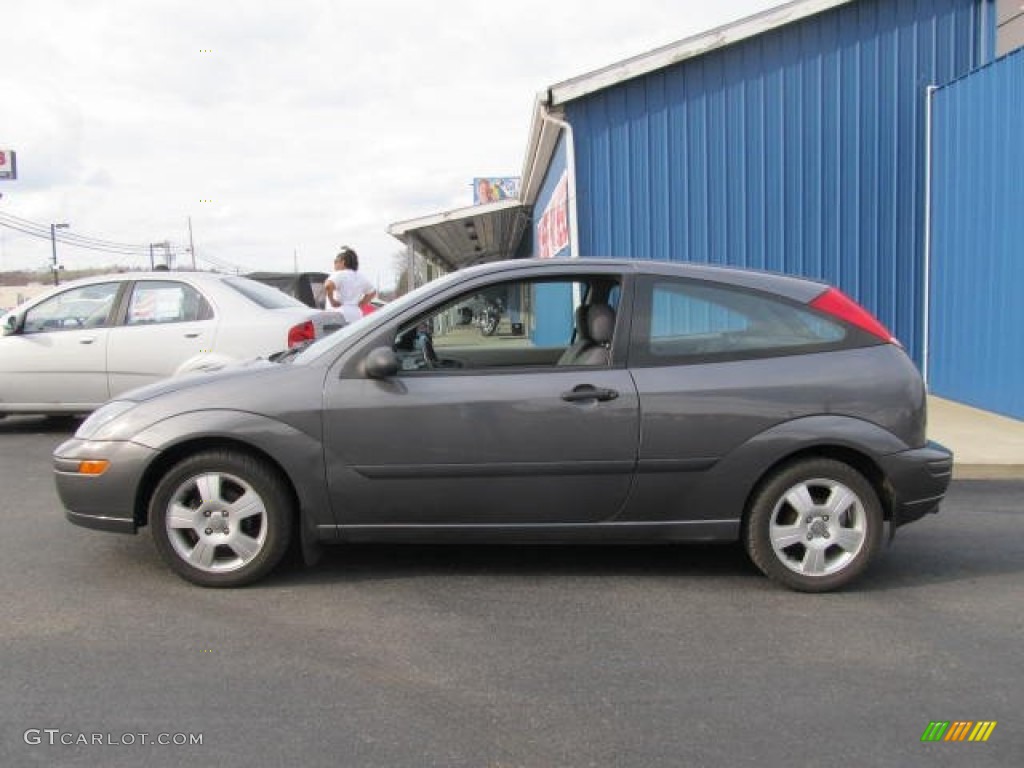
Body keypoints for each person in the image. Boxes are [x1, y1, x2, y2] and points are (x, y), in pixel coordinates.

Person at [325, 246, 376, 324]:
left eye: (336, 261)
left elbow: (328, 286)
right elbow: (372, 292)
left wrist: (332, 301)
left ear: (343, 262)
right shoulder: (360, 277)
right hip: (356, 315)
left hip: (339, 315)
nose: (334, 264)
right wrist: (361, 304)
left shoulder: (339, 274)